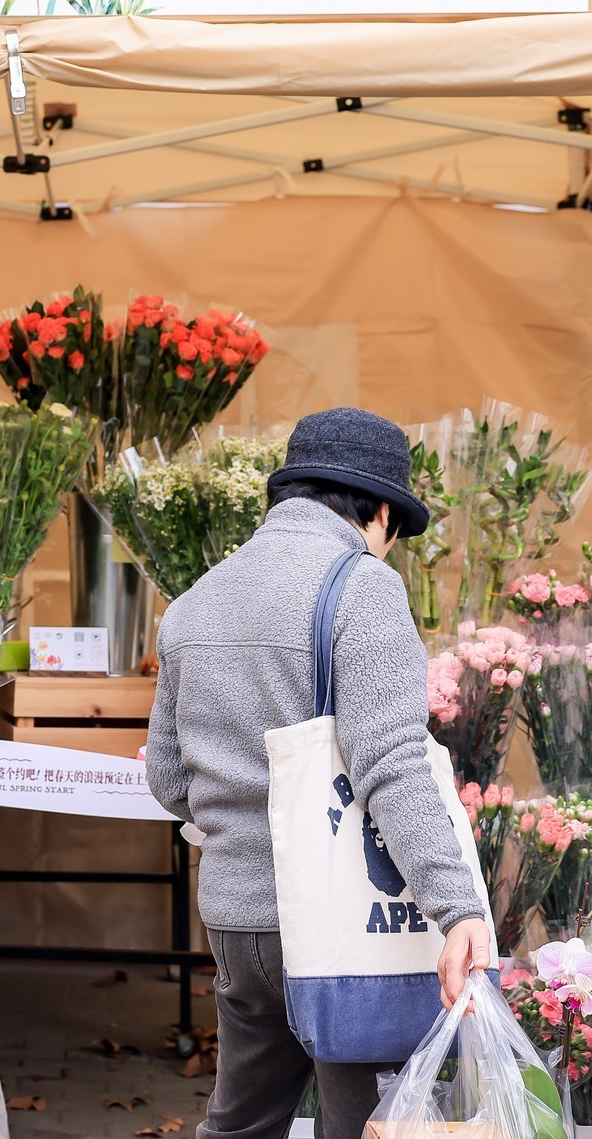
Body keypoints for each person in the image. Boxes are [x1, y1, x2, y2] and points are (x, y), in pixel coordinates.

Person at [145, 407, 492, 1139]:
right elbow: (393, 765)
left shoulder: (194, 602)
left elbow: (170, 782)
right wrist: (458, 906)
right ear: (381, 513)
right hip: (341, 927)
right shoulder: (362, 587)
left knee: (240, 1123)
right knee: (365, 1126)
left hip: (236, 921)